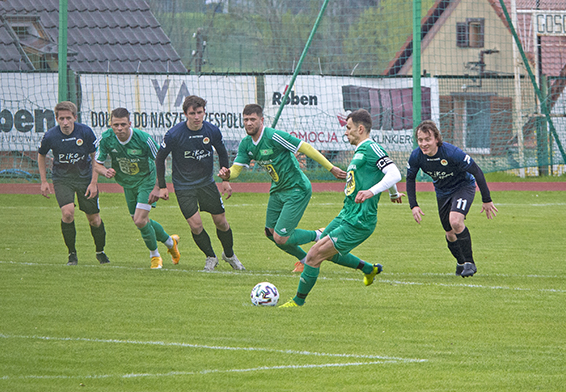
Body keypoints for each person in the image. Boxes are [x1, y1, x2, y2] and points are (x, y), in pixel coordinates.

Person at [279, 109, 403, 308]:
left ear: (360, 129)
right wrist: (393, 193)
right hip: (346, 213)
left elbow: (394, 173)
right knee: (325, 250)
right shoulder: (360, 151)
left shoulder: (371, 147)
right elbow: (382, 173)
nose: (345, 132)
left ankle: (297, 303)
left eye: (348, 128)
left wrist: (371, 192)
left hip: (360, 219)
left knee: (314, 255)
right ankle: (368, 269)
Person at [218, 104, 346, 273]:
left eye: (253, 119)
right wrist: (228, 175)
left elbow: (305, 147)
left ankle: (318, 235)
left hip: (297, 188)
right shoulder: (246, 144)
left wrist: (331, 168)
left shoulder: (274, 136)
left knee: (281, 237)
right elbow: (236, 170)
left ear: (262, 120)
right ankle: (305, 260)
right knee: (270, 233)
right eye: (246, 120)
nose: (248, 123)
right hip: (278, 190)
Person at [151, 95, 244, 272]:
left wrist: (225, 180)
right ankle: (211, 257)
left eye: (199, 112)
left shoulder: (212, 131)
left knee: (221, 222)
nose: (196, 117)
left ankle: (229, 254)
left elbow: (222, 153)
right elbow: (160, 158)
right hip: (183, 186)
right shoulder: (174, 134)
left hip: (206, 183)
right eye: (192, 113)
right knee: (195, 225)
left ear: (204, 112)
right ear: (185, 114)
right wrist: (162, 186)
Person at [405, 120, 498, 278]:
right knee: (449, 233)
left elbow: (477, 171)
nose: (423, 144)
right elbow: (410, 179)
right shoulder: (416, 156)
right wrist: (413, 205)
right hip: (442, 192)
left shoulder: (451, 152)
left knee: (455, 221)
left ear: (436, 139)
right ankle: (461, 263)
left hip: (463, 187)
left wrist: (486, 199)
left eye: (427, 139)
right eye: (420, 140)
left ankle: (470, 263)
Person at [94, 108, 180, 269]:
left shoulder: (143, 138)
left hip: (147, 181)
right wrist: (105, 171)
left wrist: (157, 186)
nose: (119, 128)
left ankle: (155, 256)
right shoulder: (106, 138)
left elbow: (160, 160)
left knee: (140, 220)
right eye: (116, 125)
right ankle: (170, 242)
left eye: (123, 124)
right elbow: (97, 164)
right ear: (111, 125)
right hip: (127, 183)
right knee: (141, 220)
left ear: (130, 123)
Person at [38, 101, 108, 266]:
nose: (65, 122)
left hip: (85, 179)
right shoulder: (50, 136)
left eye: (68, 118)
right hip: (62, 179)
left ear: (75, 117)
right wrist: (44, 181)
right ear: (56, 119)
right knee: (68, 213)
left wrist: (93, 182)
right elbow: (41, 155)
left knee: (94, 219)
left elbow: (96, 157)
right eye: (61, 118)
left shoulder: (85, 132)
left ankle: (100, 251)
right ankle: (72, 254)